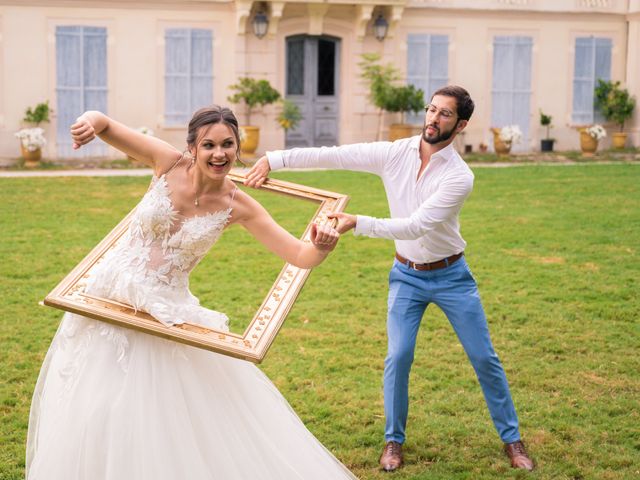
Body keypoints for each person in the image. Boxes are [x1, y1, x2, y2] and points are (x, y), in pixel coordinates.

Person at [26, 105, 358, 480]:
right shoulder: (167, 163)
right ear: (193, 147)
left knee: (148, 412)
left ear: (238, 148)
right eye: (209, 145)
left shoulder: (240, 205)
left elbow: (300, 255)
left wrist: (324, 244)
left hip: (162, 313)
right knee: (92, 402)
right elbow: (105, 124)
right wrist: (88, 121)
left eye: (228, 145)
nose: (220, 154)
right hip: (106, 296)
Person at [245, 85, 535, 472]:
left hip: (452, 276)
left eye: (445, 114)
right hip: (406, 277)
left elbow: (415, 226)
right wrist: (274, 159)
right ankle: (393, 442)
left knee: (484, 357)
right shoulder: (394, 152)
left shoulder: (460, 177)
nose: (433, 119)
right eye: (431, 110)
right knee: (398, 357)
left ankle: (512, 440)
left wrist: (357, 222)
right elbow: (336, 155)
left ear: (461, 124)